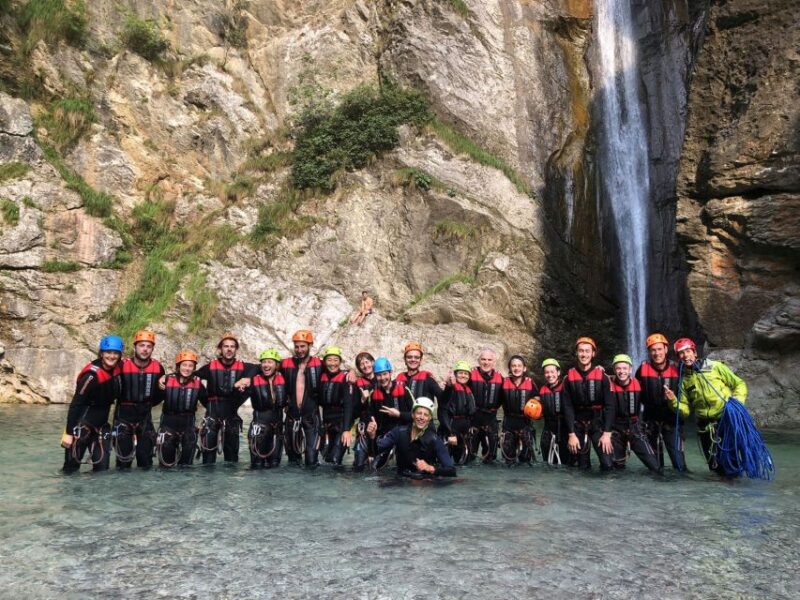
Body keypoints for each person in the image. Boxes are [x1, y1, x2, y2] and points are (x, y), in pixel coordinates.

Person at [666, 337, 748, 474]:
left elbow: (739, 384)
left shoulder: (716, 366)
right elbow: (685, 411)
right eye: (681, 353)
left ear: (695, 353)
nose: (685, 356)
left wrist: (737, 401)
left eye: (688, 351)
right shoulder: (684, 380)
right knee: (714, 466)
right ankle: (721, 493)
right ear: (678, 358)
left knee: (731, 462)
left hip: (726, 421)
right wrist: (673, 400)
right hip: (705, 428)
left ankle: (734, 490)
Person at [61, 335, 123, 473]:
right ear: (101, 353)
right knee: (70, 470)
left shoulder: (118, 368)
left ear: (119, 355)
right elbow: (76, 404)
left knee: (102, 470)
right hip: (82, 425)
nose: (111, 356)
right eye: (108, 352)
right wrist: (69, 433)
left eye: (115, 353)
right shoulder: (91, 376)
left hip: (101, 427)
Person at [195, 332, 255, 464]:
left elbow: (261, 368)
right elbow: (188, 374)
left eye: (232, 346)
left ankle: (230, 485)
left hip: (231, 417)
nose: (229, 349)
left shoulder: (244, 367)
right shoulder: (209, 367)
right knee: (208, 460)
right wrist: (165, 377)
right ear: (220, 349)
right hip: (212, 415)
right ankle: (209, 484)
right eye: (226, 346)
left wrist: (247, 378)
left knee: (232, 461)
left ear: (236, 349)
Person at [366, 397, 456, 478]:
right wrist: (372, 436)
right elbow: (376, 451)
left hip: (425, 483)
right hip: (401, 480)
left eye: (426, 415)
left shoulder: (435, 440)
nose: (422, 417)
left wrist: (430, 468)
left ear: (429, 419)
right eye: (419, 413)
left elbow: (451, 470)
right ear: (412, 414)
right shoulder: (399, 432)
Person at [113, 330, 165, 469]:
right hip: (123, 417)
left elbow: (161, 394)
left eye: (149, 346)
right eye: (141, 345)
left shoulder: (158, 368)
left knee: (146, 464)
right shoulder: (121, 365)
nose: (145, 349)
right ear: (135, 347)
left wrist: (148, 403)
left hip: (145, 420)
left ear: (153, 349)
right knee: (123, 464)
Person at [562, 337, 615, 470]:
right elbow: (567, 407)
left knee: (607, 464)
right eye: (581, 351)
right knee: (582, 467)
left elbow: (610, 406)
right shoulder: (568, 379)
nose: (584, 354)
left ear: (593, 353)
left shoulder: (603, 377)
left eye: (587, 351)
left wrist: (607, 433)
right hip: (578, 426)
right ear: (576, 353)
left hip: (598, 424)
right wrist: (571, 434)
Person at [635, 333, 685, 470]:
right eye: (653, 350)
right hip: (650, 421)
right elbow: (633, 390)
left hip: (671, 421)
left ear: (666, 349)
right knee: (656, 468)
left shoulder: (677, 368)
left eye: (659, 349)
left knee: (679, 465)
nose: (657, 353)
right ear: (649, 352)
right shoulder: (642, 369)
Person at [607, 354, 661, 472]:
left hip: (635, 427)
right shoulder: (607, 384)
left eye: (625, 368)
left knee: (655, 466)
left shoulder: (640, 385)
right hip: (615, 430)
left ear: (630, 369)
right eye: (618, 368)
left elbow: (651, 402)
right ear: (614, 370)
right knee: (615, 468)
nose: (622, 372)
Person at [156, 350, 207, 468]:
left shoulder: (198, 384)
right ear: (178, 366)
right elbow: (153, 400)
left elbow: (208, 404)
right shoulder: (166, 380)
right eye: (184, 365)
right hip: (168, 426)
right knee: (165, 467)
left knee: (186, 467)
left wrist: (203, 423)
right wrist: (159, 383)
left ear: (194, 368)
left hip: (188, 427)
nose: (187, 368)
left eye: (190, 366)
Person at [280, 329, 323, 468]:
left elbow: (337, 372)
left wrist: (351, 372)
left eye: (303, 346)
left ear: (310, 346)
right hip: (292, 417)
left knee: (311, 461)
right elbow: (263, 367)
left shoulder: (320, 364)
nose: (299, 350)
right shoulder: (285, 364)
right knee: (293, 462)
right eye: (297, 346)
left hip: (311, 417)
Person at [368, 356, 414, 469]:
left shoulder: (404, 389)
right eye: (378, 375)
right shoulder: (373, 395)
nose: (382, 378)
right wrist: (371, 450)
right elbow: (371, 422)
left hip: (405, 435)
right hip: (386, 437)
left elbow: (416, 416)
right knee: (374, 468)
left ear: (390, 373)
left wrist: (399, 414)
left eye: (385, 374)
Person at [245, 349, 286, 469]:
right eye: (264, 362)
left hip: (277, 430)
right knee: (257, 466)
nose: (266, 365)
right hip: (259, 429)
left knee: (274, 466)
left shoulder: (284, 380)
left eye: (270, 362)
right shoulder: (252, 381)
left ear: (276, 365)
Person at [318, 346, 356, 469]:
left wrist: (346, 429)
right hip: (327, 425)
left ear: (340, 362)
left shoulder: (345, 378)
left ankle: (341, 486)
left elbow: (349, 405)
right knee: (326, 459)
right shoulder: (322, 375)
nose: (332, 363)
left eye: (336, 360)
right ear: (325, 362)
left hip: (341, 424)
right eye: (329, 360)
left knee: (335, 461)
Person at [499, 355, 537, 466]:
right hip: (508, 425)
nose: (516, 368)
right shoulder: (503, 383)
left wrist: (536, 401)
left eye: (519, 366)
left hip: (525, 425)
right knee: (508, 462)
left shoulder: (530, 383)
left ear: (524, 368)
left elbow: (538, 398)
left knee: (525, 462)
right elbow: (495, 402)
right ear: (510, 368)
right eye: (513, 366)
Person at [468, 348, 503, 463]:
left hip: (491, 421)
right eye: (483, 359)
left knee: (491, 459)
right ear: (478, 360)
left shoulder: (500, 379)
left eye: (489, 360)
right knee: (469, 457)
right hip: (473, 421)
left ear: (494, 362)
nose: (486, 362)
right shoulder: (469, 375)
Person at [439, 360, 477, 464]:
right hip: (451, 432)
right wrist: (450, 433)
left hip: (463, 433)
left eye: (466, 373)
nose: (463, 376)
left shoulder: (468, 389)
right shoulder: (450, 389)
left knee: (463, 463)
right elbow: (442, 412)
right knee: (446, 464)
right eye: (460, 373)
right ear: (455, 375)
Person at [538, 359, 569, 466]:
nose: (550, 375)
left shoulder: (566, 386)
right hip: (548, 430)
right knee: (547, 463)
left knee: (566, 463)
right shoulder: (542, 390)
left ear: (558, 372)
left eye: (552, 372)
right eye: (547, 372)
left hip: (564, 430)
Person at [349, 351, 376, 472]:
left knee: (376, 466)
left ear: (372, 362)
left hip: (380, 426)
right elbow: (354, 411)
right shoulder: (357, 384)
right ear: (359, 368)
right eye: (361, 364)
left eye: (367, 362)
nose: (365, 365)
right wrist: (362, 399)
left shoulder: (382, 378)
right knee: (359, 465)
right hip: (363, 426)